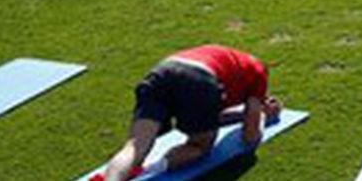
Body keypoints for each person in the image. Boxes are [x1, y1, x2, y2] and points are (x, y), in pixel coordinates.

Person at [93, 44, 283, 181]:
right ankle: (152, 169)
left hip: (162, 72)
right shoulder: (257, 72)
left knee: (135, 147)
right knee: (200, 146)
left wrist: (244, 114)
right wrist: (262, 116)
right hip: (198, 80)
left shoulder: (230, 64)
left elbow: (208, 117)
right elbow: (250, 136)